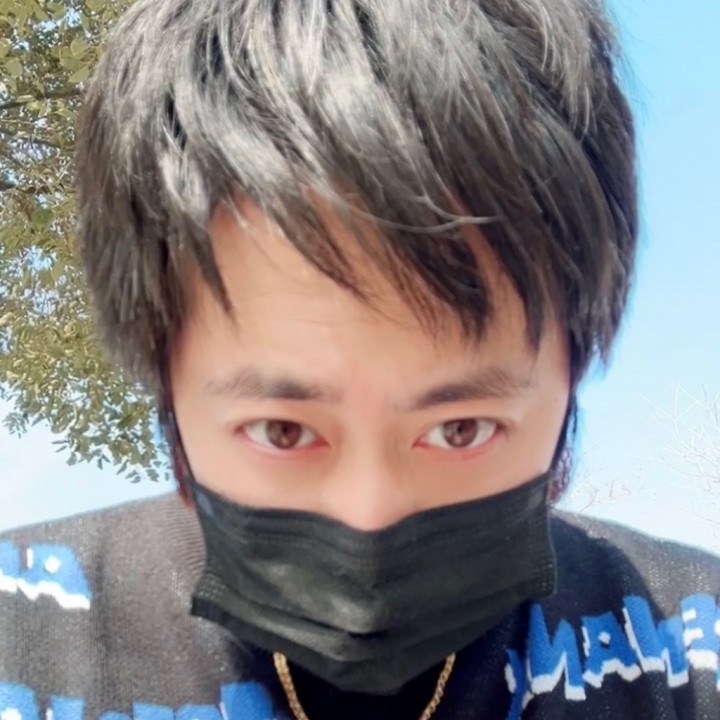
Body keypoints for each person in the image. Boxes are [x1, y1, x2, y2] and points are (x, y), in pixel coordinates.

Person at [1, 0, 718, 718]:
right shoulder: (21, 635)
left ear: (573, 370)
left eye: (461, 430)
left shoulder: (692, 651)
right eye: (282, 431)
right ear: (166, 379)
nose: (368, 515)